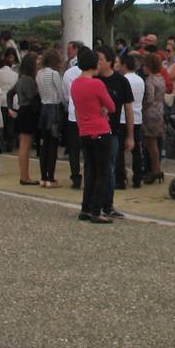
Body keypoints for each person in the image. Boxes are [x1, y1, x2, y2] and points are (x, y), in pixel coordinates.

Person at [70, 48, 115, 223]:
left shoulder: (76, 83)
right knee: (102, 172)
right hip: (100, 129)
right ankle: (97, 210)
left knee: (90, 171)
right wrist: (102, 108)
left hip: (84, 130)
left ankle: (86, 208)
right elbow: (111, 106)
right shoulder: (97, 84)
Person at [98, 45, 132, 218]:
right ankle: (94, 203)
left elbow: (128, 109)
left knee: (109, 168)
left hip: (113, 131)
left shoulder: (121, 81)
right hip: (94, 131)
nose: (98, 62)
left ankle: (108, 204)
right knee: (94, 168)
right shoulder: (94, 79)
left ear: (110, 61)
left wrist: (131, 135)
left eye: (101, 59)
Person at [35, 48, 66, 188]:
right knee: (53, 144)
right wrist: (66, 107)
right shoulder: (54, 74)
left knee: (44, 145)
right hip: (54, 109)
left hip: (43, 109)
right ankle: (51, 177)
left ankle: (43, 177)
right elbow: (60, 93)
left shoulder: (39, 74)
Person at [9, 52, 40, 184]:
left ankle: (24, 175)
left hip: (22, 110)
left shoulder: (21, 79)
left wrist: (11, 108)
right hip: (29, 112)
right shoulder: (29, 81)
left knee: (23, 144)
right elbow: (33, 98)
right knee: (25, 145)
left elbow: (10, 93)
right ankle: (24, 176)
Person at [142, 51, 167, 184]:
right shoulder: (161, 78)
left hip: (150, 113)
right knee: (156, 142)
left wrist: (143, 107)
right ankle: (156, 169)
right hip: (160, 111)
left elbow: (149, 98)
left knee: (151, 144)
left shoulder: (150, 80)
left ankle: (155, 170)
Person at [120, 52, 146, 187]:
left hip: (123, 118)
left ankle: (121, 177)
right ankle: (138, 177)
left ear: (124, 65)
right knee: (136, 150)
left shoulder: (123, 80)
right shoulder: (140, 80)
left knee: (120, 150)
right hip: (137, 117)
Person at [61, 41, 84, 188]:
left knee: (74, 150)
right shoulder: (94, 74)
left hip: (72, 115)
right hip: (89, 116)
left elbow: (64, 96)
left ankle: (75, 177)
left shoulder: (68, 73)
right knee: (89, 149)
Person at [0, 50, 19, 153]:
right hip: (12, 101)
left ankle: (1, 145)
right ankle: (10, 145)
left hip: (1, 101)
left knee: (2, 125)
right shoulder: (15, 74)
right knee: (10, 126)